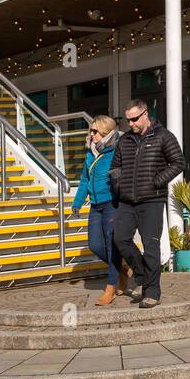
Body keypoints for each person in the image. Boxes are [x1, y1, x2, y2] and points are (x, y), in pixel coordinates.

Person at [110, 99, 184, 310]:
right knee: (120, 238)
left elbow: (179, 162)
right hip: (126, 202)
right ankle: (141, 273)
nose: (130, 123)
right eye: (127, 120)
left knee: (151, 247)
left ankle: (152, 292)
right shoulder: (125, 140)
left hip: (152, 201)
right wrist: (118, 188)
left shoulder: (163, 136)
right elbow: (116, 168)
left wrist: (157, 181)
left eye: (134, 119)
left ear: (145, 115)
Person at [70, 115, 126, 306]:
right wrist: (77, 203)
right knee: (94, 245)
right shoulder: (90, 154)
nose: (91, 134)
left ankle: (110, 288)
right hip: (95, 206)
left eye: (95, 131)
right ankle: (121, 268)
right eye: (91, 131)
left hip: (112, 204)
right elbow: (85, 179)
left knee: (112, 246)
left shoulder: (116, 152)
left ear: (105, 133)